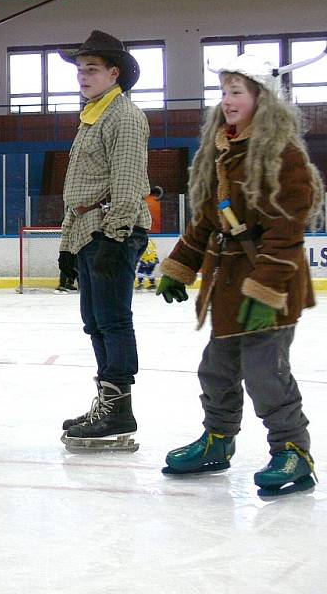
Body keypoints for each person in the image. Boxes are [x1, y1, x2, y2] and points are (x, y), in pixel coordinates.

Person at [156, 53, 324, 497]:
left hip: (273, 285)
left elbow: (286, 234)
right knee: (216, 369)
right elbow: (210, 220)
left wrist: (264, 291)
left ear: (262, 99)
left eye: (237, 92)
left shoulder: (283, 156)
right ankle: (217, 440)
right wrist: (180, 265)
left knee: (266, 373)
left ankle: (292, 451)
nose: (227, 101)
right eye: (224, 92)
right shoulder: (222, 151)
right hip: (228, 286)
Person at [56, 30, 151, 452]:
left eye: (91, 69)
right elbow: (78, 189)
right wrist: (65, 246)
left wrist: (115, 238)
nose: (82, 76)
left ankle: (118, 406)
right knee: (95, 322)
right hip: (87, 231)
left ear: (114, 73)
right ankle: (108, 401)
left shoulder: (124, 118)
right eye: (80, 70)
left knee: (113, 320)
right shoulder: (92, 115)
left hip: (111, 229)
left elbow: (128, 185)